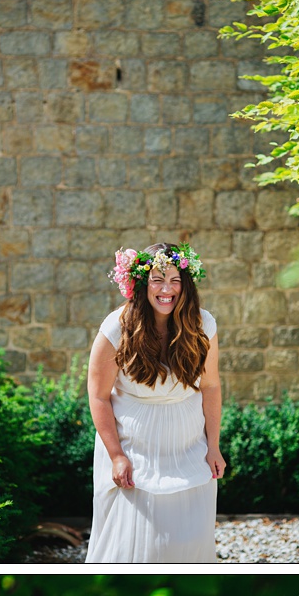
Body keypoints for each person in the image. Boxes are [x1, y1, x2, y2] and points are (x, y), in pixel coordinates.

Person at [85, 241, 225, 563]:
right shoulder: (116, 328)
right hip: (135, 454)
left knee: (188, 545)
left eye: (175, 280)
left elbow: (211, 386)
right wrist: (117, 455)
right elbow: (98, 396)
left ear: (186, 285)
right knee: (136, 550)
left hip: (190, 449)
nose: (167, 289)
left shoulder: (203, 325)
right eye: (158, 280)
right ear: (142, 284)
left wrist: (213, 445)